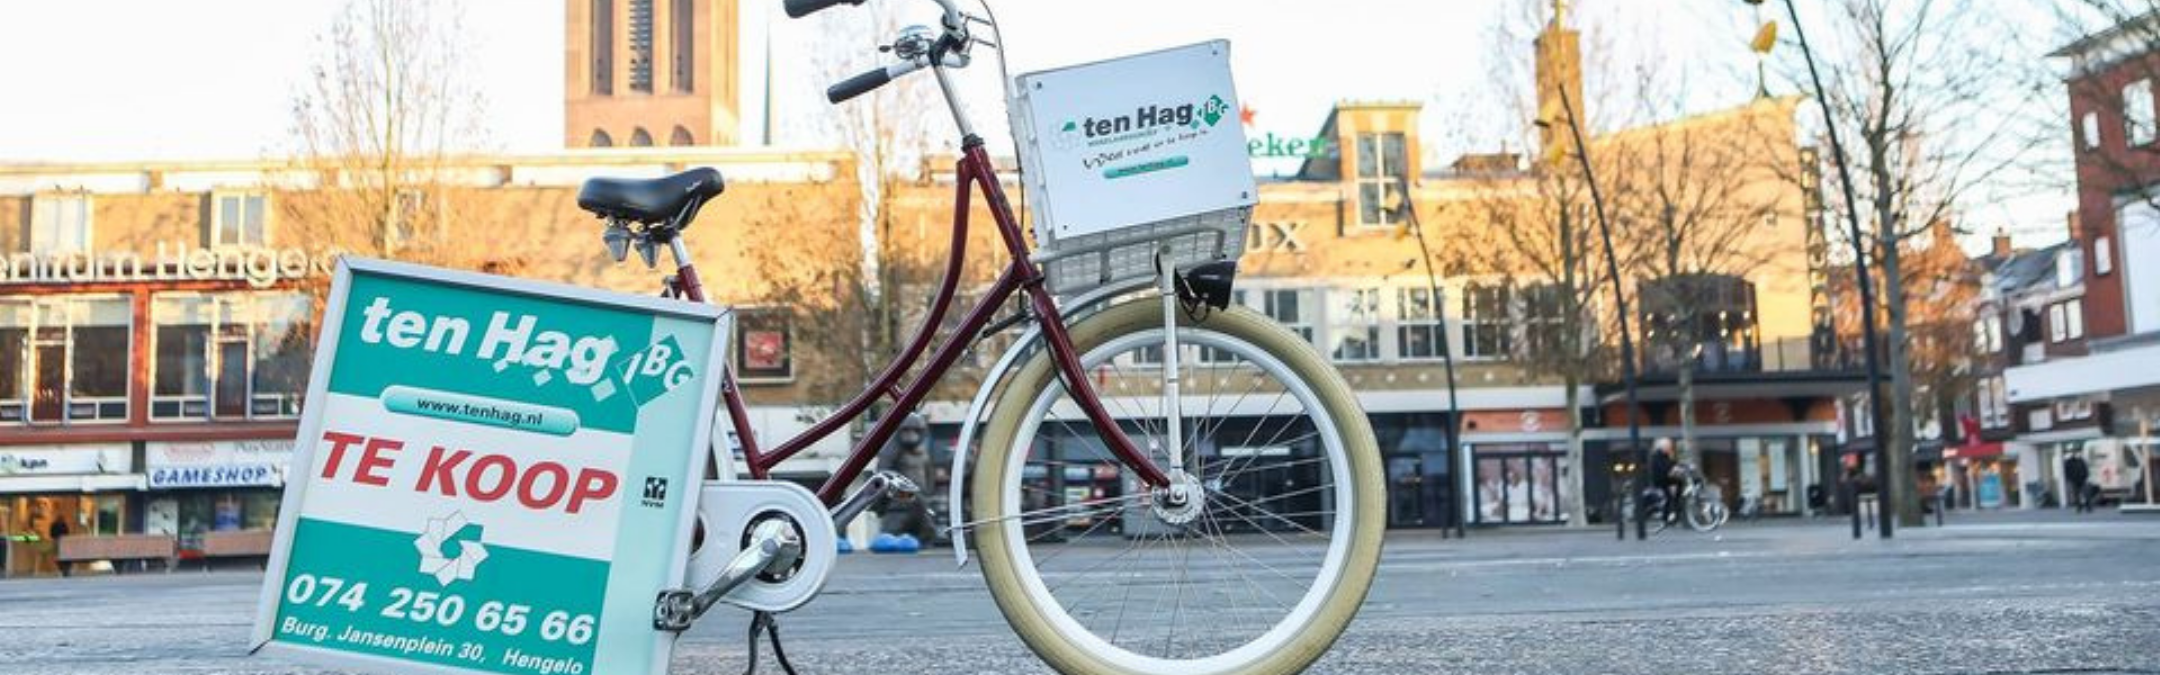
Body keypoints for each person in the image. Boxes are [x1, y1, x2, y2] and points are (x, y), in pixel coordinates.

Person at [876, 413, 938, 542]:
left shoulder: (923, 452)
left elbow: (929, 475)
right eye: (906, 430)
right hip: (898, 505)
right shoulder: (891, 450)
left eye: (914, 430)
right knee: (890, 538)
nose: (910, 434)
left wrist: (928, 495)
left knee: (928, 535)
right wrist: (881, 504)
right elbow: (881, 477)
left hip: (920, 504)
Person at [1649, 439, 1683, 523]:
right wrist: (1673, 469)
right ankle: (1666, 517)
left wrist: (1677, 467)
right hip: (1661, 479)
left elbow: (1673, 464)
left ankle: (1674, 509)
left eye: (1670, 446)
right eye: (1668, 446)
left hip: (1666, 478)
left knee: (1679, 484)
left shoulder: (1666, 454)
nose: (1670, 447)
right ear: (1663, 446)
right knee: (1669, 497)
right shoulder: (1657, 455)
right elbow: (1664, 467)